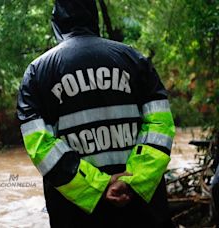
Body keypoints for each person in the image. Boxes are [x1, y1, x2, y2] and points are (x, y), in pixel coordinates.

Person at [17, 0, 176, 227]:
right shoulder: (134, 60)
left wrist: (99, 186)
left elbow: (40, 147)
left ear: (56, 23)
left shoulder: (36, 74)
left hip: (76, 215)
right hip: (141, 210)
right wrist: (132, 179)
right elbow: (161, 127)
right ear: (95, 19)